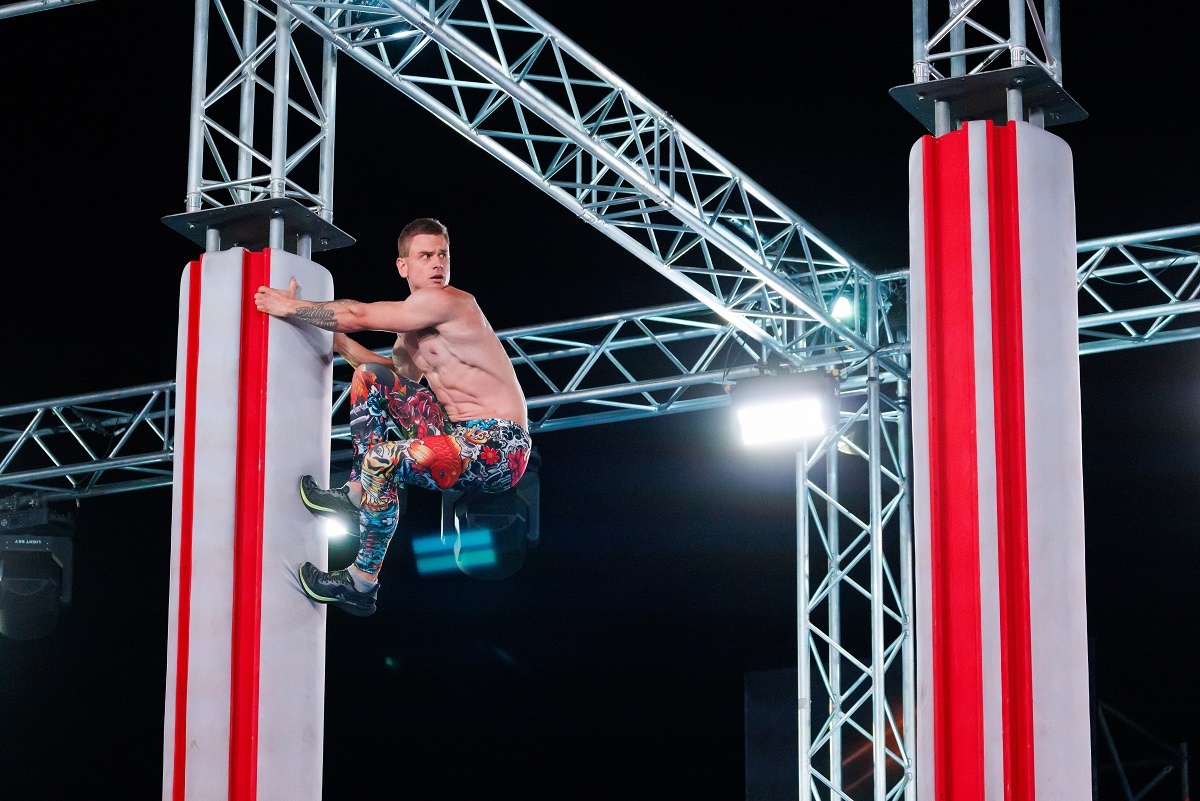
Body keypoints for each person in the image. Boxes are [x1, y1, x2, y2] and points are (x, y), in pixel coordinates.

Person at [253, 217, 531, 617]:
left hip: (501, 446)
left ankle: (361, 583)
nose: (437, 263)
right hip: (457, 435)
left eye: (443, 255)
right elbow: (396, 376)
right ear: (403, 266)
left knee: (380, 461)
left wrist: (291, 307)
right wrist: (338, 341)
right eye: (426, 256)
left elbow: (360, 314)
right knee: (370, 378)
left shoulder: (452, 302)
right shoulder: (413, 328)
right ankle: (355, 494)